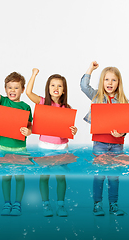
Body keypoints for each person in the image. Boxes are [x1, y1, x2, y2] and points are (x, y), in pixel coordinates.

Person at [26, 68, 77, 217]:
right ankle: (46, 204)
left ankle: (61, 205)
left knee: (61, 177)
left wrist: (73, 130)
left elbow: (69, 129)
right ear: (48, 88)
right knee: (44, 176)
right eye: (53, 85)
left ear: (64, 90)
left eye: (59, 86)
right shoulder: (43, 103)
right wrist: (34, 75)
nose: (56, 88)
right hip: (44, 146)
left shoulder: (67, 108)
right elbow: (29, 93)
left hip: (62, 147)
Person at [80, 61, 128, 216]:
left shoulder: (122, 101)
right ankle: (97, 204)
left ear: (118, 83)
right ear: (102, 81)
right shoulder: (96, 95)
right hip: (100, 142)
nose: (110, 83)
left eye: (114, 80)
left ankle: (114, 204)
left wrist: (122, 133)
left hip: (116, 144)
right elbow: (83, 86)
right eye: (107, 79)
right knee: (99, 175)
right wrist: (91, 69)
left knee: (114, 176)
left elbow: (126, 124)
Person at [0, 69, 32, 216]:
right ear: (5, 89)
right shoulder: (3, 101)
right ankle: (7, 203)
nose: (13, 90)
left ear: (22, 90)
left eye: (16, 87)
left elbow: (30, 125)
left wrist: (29, 131)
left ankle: (17, 204)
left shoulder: (26, 107)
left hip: (20, 148)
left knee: (19, 177)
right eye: (9, 87)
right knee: (6, 177)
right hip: (4, 147)